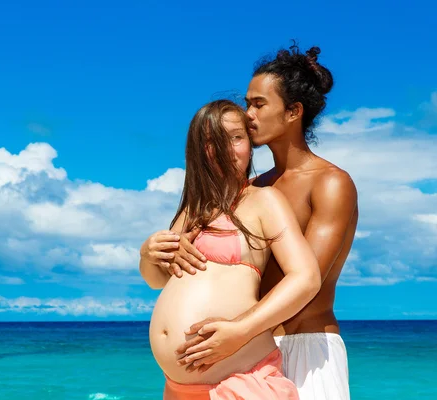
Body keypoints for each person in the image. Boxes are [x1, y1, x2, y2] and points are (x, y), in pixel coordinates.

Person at [165, 43, 359, 400]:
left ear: (293, 112)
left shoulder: (330, 182)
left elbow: (305, 283)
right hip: (249, 354)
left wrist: (237, 330)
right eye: (247, 102)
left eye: (258, 103)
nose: (247, 113)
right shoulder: (253, 189)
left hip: (305, 348)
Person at [139, 99, 323, 399]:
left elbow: (306, 278)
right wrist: (147, 254)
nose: (226, 150)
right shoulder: (192, 209)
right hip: (179, 389)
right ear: (198, 149)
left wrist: (240, 331)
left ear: (250, 144)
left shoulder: (264, 201)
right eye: (213, 141)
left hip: (238, 381)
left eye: (235, 138)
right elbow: (157, 279)